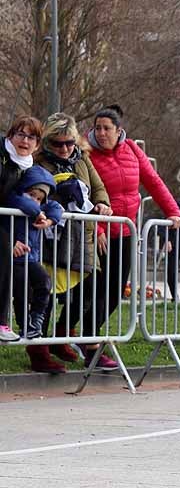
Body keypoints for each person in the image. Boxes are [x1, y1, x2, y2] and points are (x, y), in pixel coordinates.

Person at [82, 106, 180, 370]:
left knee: (115, 292)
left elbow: (152, 180)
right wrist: (100, 228)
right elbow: (89, 192)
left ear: (118, 131)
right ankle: (87, 344)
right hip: (99, 231)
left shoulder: (132, 151)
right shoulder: (87, 153)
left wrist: (172, 211)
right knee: (97, 289)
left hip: (126, 231)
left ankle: (84, 338)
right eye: (97, 128)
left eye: (107, 128)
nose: (101, 133)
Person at [35, 112, 112, 364]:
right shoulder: (39, 162)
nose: (65, 148)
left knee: (90, 290)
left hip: (82, 237)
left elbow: (98, 187)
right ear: (48, 142)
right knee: (44, 293)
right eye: (59, 143)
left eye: (70, 142)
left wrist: (101, 204)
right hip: (51, 238)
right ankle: (38, 348)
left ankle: (64, 335)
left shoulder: (83, 159)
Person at [4, 166, 65, 372]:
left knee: (44, 283)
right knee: (21, 292)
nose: (35, 200)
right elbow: (19, 201)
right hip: (14, 258)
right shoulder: (14, 198)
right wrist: (36, 210)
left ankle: (36, 319)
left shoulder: (43, 207)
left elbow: (57, 207)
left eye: (40, 198)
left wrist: (49, 218)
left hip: (32, 258)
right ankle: (23, 324)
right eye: (32, 194)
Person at [0, 115, 43, 343]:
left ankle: (7, 323)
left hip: (9, 231)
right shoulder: (3, 159)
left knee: (38, 280)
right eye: (21, 134)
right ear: (11, 136)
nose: (25, 141)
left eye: (31, 137)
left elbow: (46, 197)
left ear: (37, 144)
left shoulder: (29, 169)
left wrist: (50, 216)